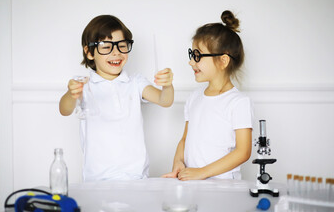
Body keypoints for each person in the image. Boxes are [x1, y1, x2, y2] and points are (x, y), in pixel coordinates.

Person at [59, 15, 174, 181]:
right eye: (106, 47)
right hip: (97, 180)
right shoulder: (85, 85)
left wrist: (167, 85)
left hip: (137, 177)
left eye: (121, 46)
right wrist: (71, 94)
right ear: (89, 52)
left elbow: (165, 100)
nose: (116, 53)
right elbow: (64, 109)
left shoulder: (135, 82)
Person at [163, 10, 253, 180]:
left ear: (223, 61)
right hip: (193, 183)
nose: (191, 62)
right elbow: (184, 139)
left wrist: (202, 172)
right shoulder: (195, 97)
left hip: (223, 188)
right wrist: (178, 162)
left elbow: (243, 152)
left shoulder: (238, 102)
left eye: (197, 56)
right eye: (191, 55)